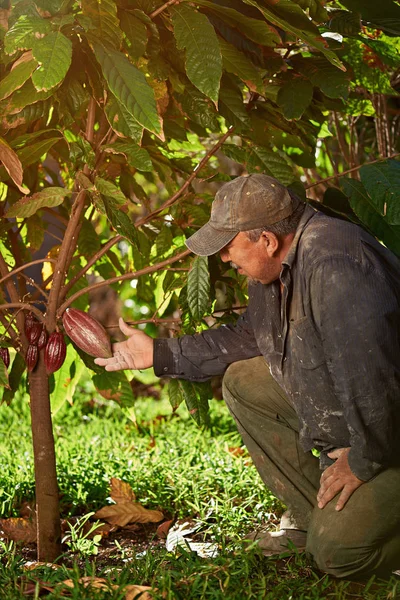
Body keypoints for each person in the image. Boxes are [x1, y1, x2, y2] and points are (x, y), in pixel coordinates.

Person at [95, 174, 400, 581]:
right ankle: (318, 517)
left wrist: (362, 461)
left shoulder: (335, 265)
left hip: (390, 434)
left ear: (267, 240)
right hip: (362, 419)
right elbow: (249, 338)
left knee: (336, 556)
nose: (223, 259)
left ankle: (346, 530)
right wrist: (159, 353)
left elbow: (376, 383)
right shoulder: (276, 269)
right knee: (245, 381)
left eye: (228, 246)